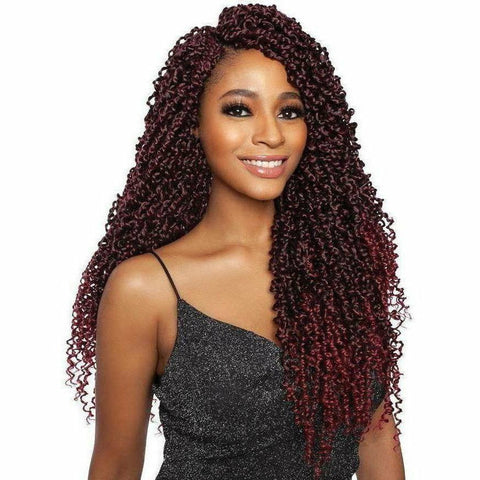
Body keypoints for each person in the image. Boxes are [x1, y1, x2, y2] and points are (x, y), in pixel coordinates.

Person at [66, 4, 408, 479]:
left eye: (289, 111)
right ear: (193, 123)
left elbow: (376, 440)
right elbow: (117, 466)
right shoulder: (144, 288)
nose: (271, 135)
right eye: (239, 109)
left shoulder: (342, 268)